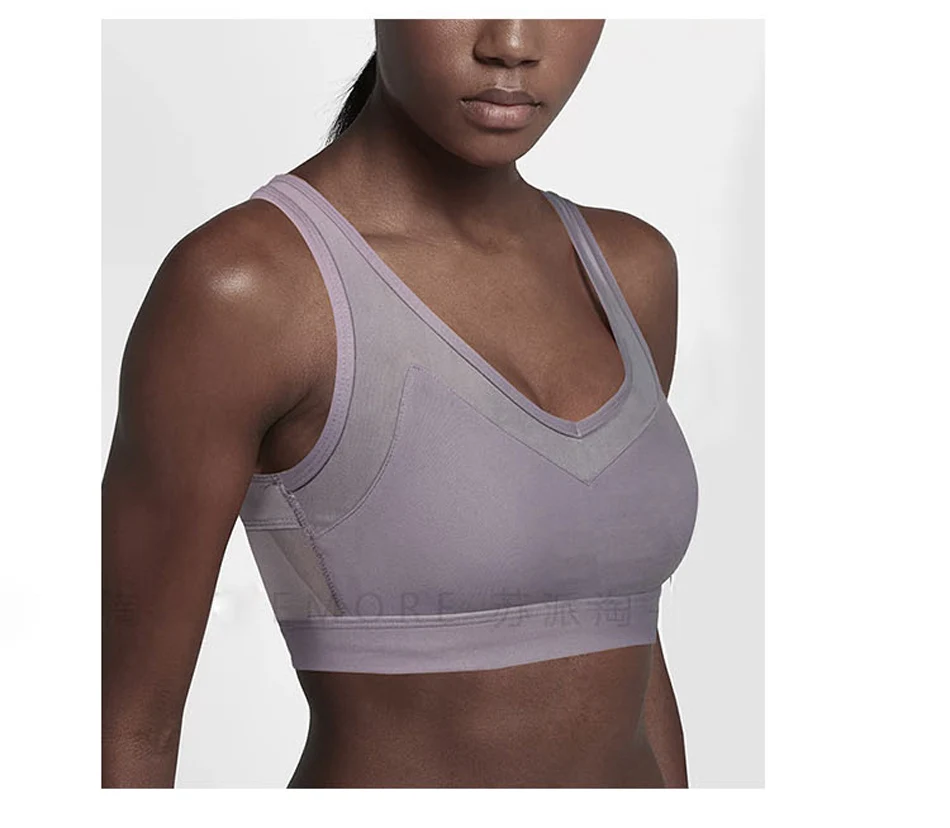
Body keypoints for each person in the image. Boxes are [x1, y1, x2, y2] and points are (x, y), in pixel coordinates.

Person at [102, 19, 699, 788]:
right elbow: (129, 724)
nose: (513, 40)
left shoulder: (631, 272)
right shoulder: (250, 288)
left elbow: (631, 642)